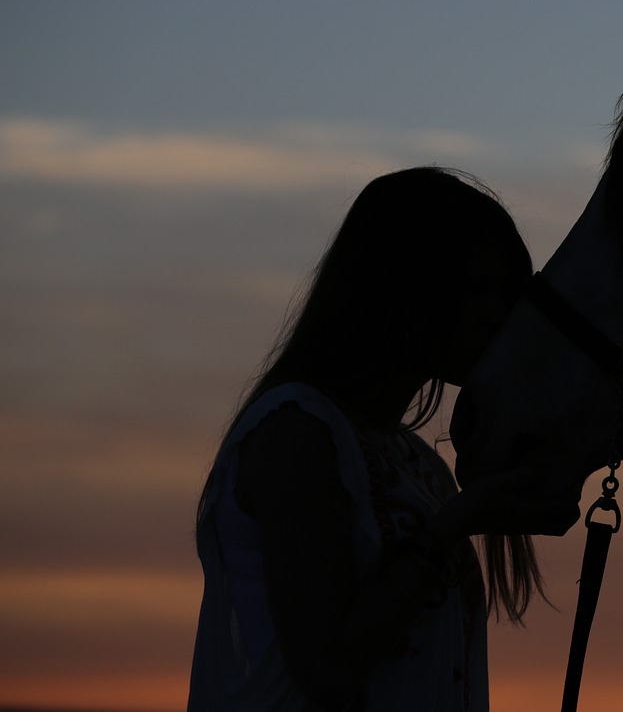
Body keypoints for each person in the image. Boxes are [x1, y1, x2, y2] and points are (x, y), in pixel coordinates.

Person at [188, 166, 579, 711]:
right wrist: (456, 524)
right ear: (406, 288)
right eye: (479, 290)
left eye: (510, 294)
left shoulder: (421, 467)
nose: (501, 316)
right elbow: (327, 668)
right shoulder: (296, 432)